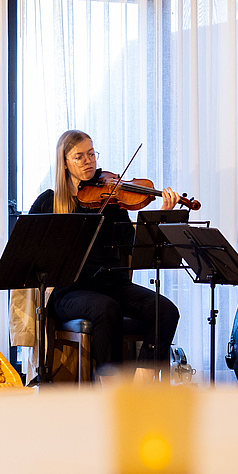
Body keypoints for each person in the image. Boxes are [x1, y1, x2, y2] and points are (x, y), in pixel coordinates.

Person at [28, 130, 181, 372]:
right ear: (64, 163)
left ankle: (141, 388)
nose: (88, 161)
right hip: (70, 290)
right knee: (106, 308)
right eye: (79, 157)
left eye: (91, 154)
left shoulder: (110, 199)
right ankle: (111, 389)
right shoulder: (50, 202)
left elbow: (134, 247)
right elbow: (27, 246)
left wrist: (161, 216)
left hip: (113, 284)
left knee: (166, 311)